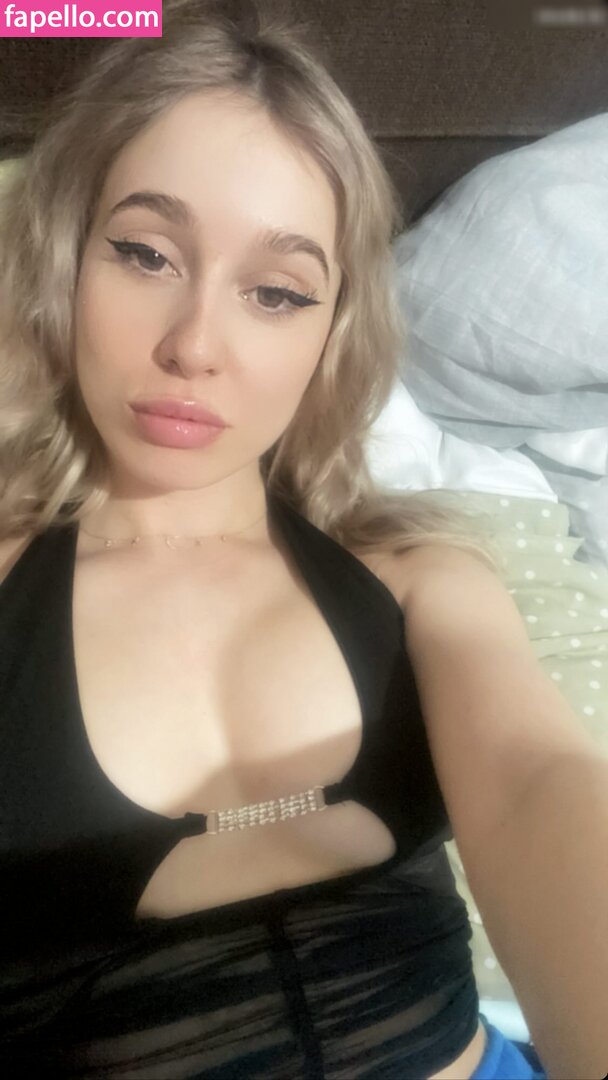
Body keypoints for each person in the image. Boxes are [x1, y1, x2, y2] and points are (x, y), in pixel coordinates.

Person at [0, 2, 606, 1077]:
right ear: (63, 264)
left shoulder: (421, 581)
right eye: (143, 253)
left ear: (332, 334)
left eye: (277, 292)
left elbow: (533, 778)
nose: (195, 345)